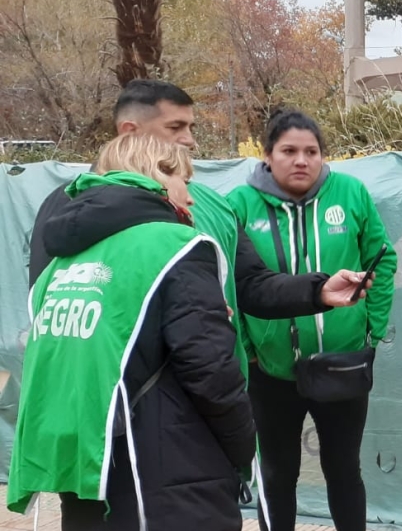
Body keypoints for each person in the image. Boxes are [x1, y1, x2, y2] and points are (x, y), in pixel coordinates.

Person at [27, 80, 370, 365]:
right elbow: (56, 317)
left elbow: (252, 285)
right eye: (175, 127)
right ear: (129, 132)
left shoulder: (211, 205)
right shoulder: (68, 208)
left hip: (207, 395)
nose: (190, 140)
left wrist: (317, 290)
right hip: (116, 408)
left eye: (191, 127)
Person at [9, 134, 255, 530]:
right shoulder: (175, 245)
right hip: (168, 476)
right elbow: (211, 371)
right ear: (160, 174)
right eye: (186, 182)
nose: (191, 199)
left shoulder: (64, 259)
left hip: (87, 470)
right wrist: (244, 447)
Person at [226, 109, 396, 531]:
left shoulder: (350, 193)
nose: (301, 160)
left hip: (342, 364)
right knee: (278, 474)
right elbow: (232, 280)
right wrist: (247, 348)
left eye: (311, 151)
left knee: (343, 470)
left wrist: (372, 328)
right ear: (267, 155)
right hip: (270, 371)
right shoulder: (239, 205)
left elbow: (384, 258)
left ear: (322, 156)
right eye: (288, 151)